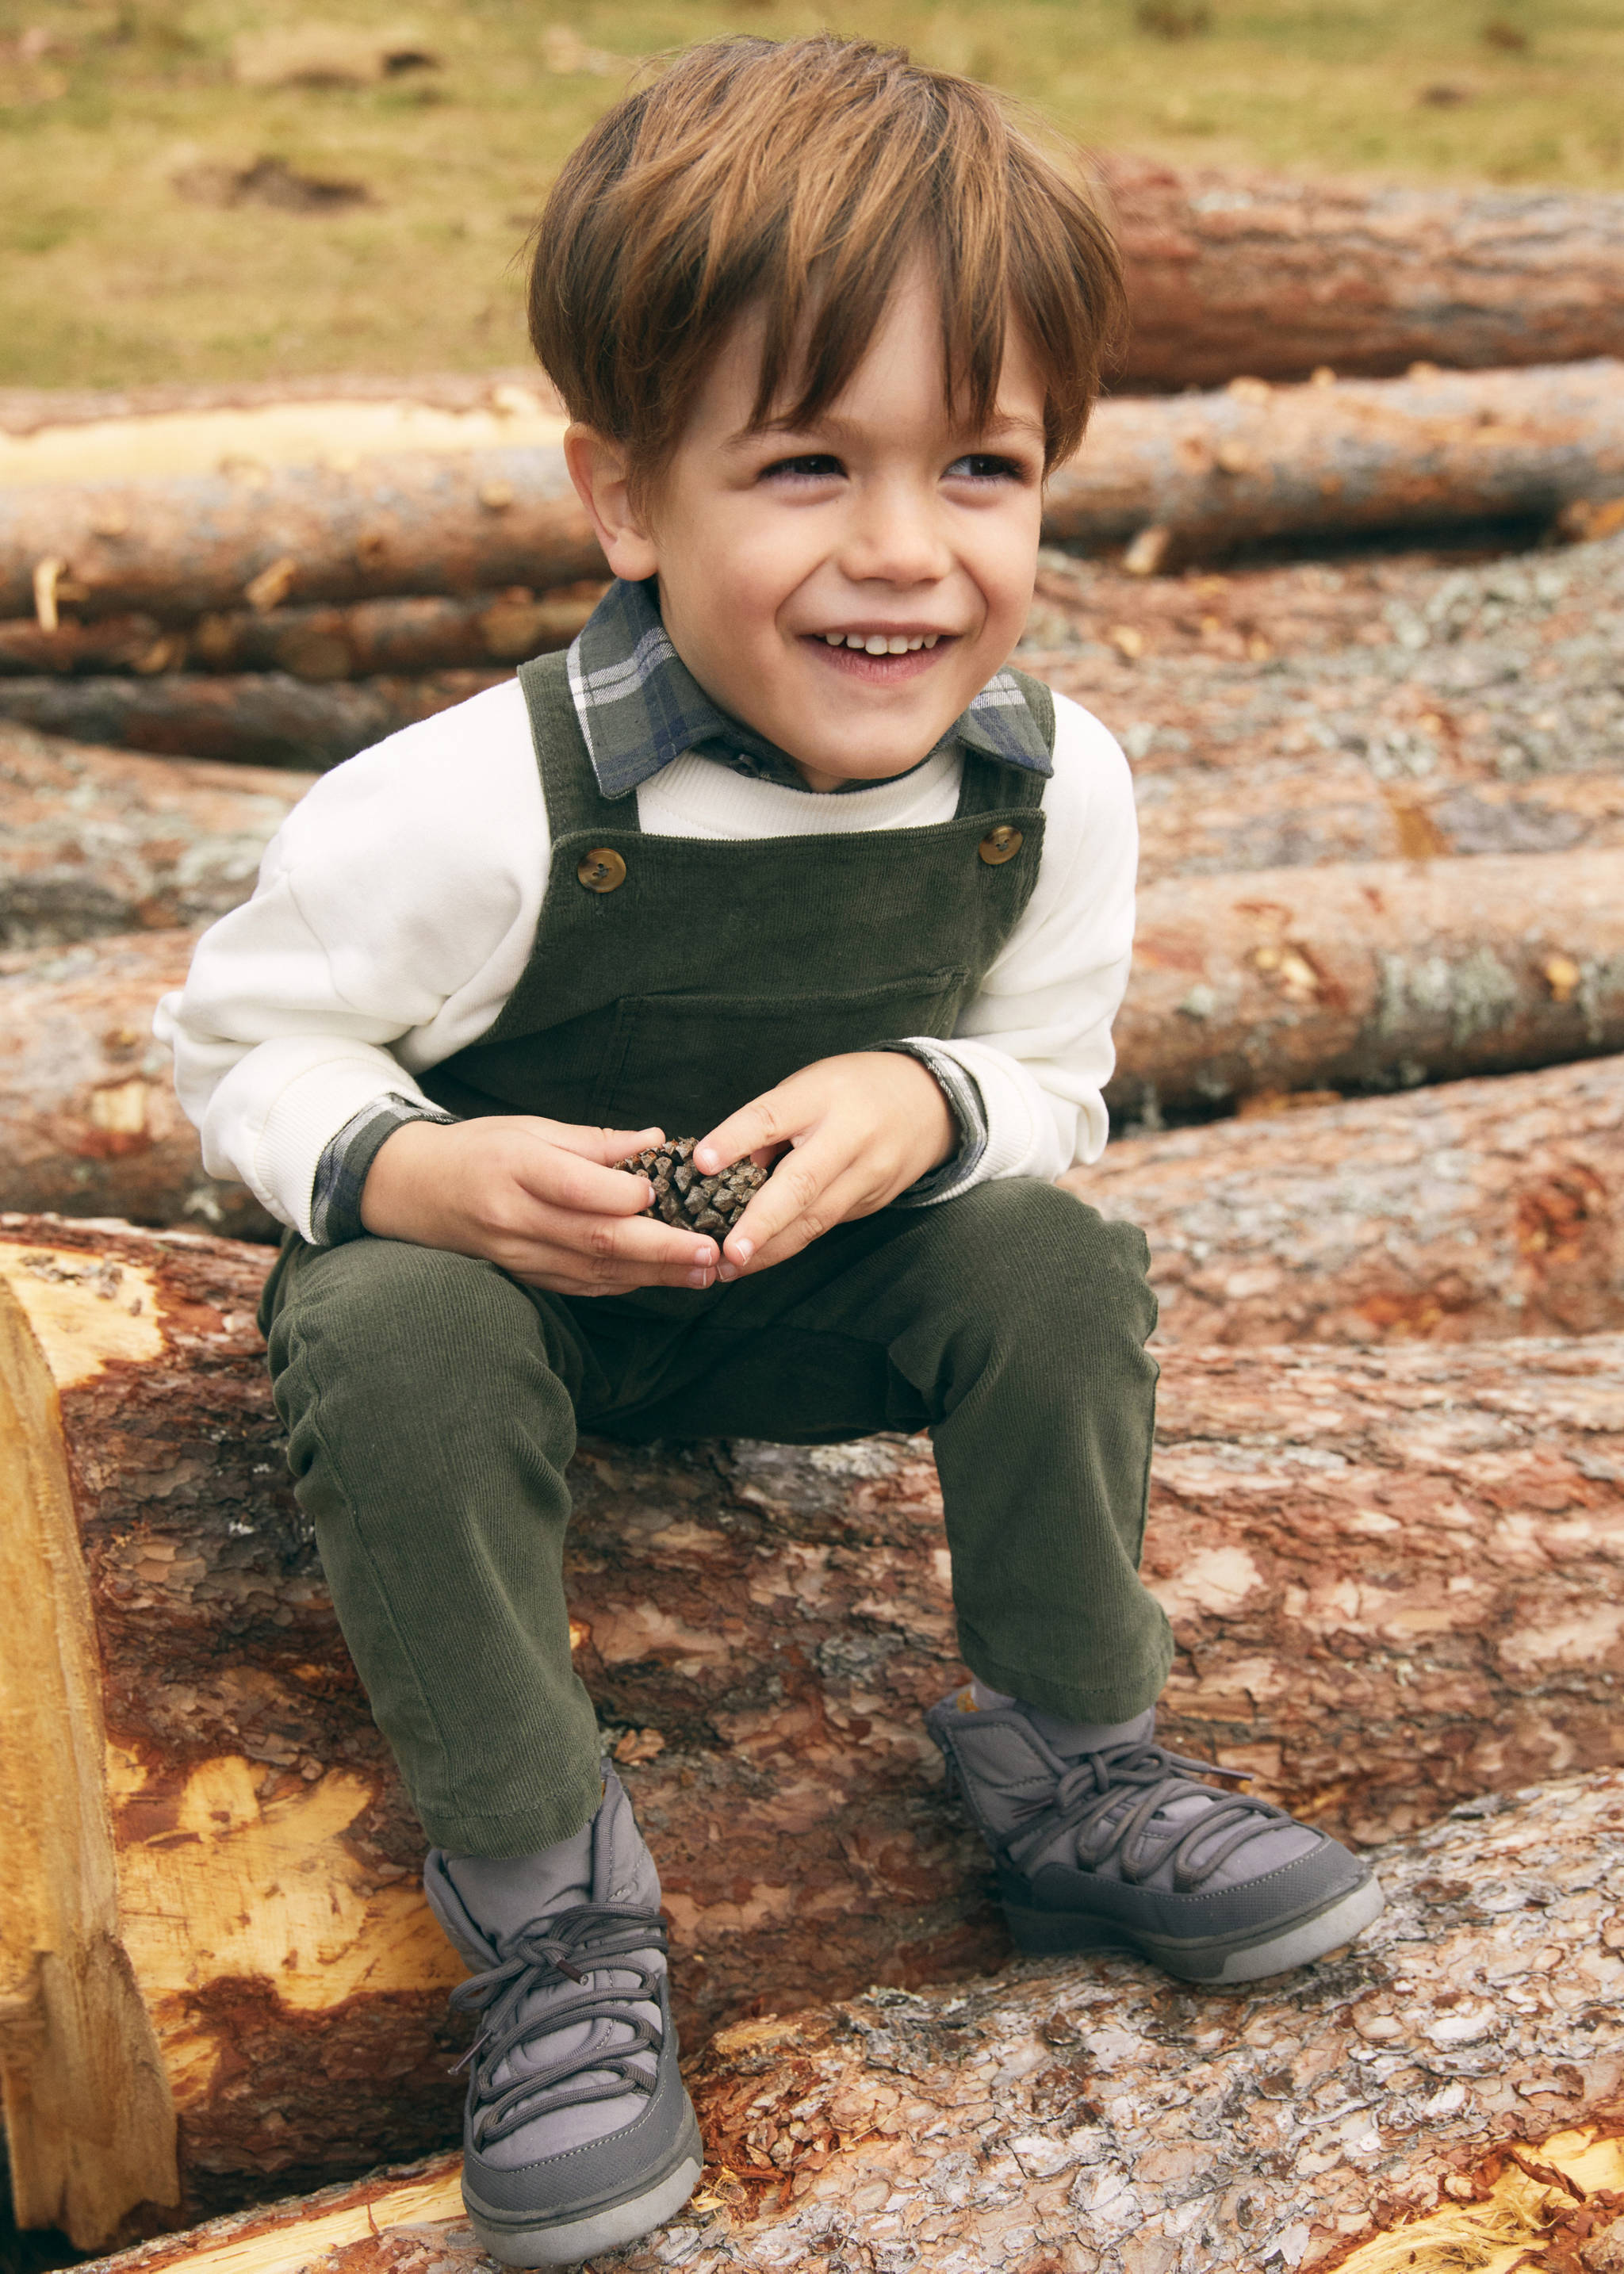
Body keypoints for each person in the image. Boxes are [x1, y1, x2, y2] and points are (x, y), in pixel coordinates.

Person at [157, 34, 1382, 2265]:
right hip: (521, 1313)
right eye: (808, 467)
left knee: (1054, 1263)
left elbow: (1055, 1070)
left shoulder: (1052, 785)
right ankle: (551, 1922)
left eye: (984, 469)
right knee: (385, 1322)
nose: (904, 554)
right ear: (629, 501)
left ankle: (1076, 1764)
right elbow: (238, 1042)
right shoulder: (469, 807)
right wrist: (418, 1173)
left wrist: (932, 1100)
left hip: (802, 1301)